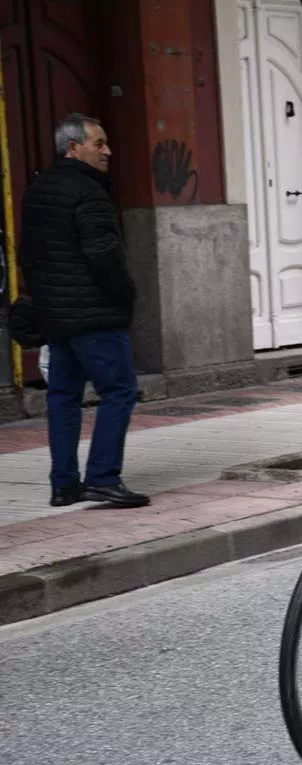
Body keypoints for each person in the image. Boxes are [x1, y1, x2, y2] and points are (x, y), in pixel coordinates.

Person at [20, 113, 149, 508]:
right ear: (73, 147)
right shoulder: (89, 193)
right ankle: (103, 478)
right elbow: (103, 254)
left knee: (62, 397)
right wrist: (125, 294)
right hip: (94, 315)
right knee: (119, 391)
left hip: (56, 317)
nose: (107, 151)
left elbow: (28, 255)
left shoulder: (37, 191)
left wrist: (45, 303)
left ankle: (64, 484)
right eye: (99, 143)